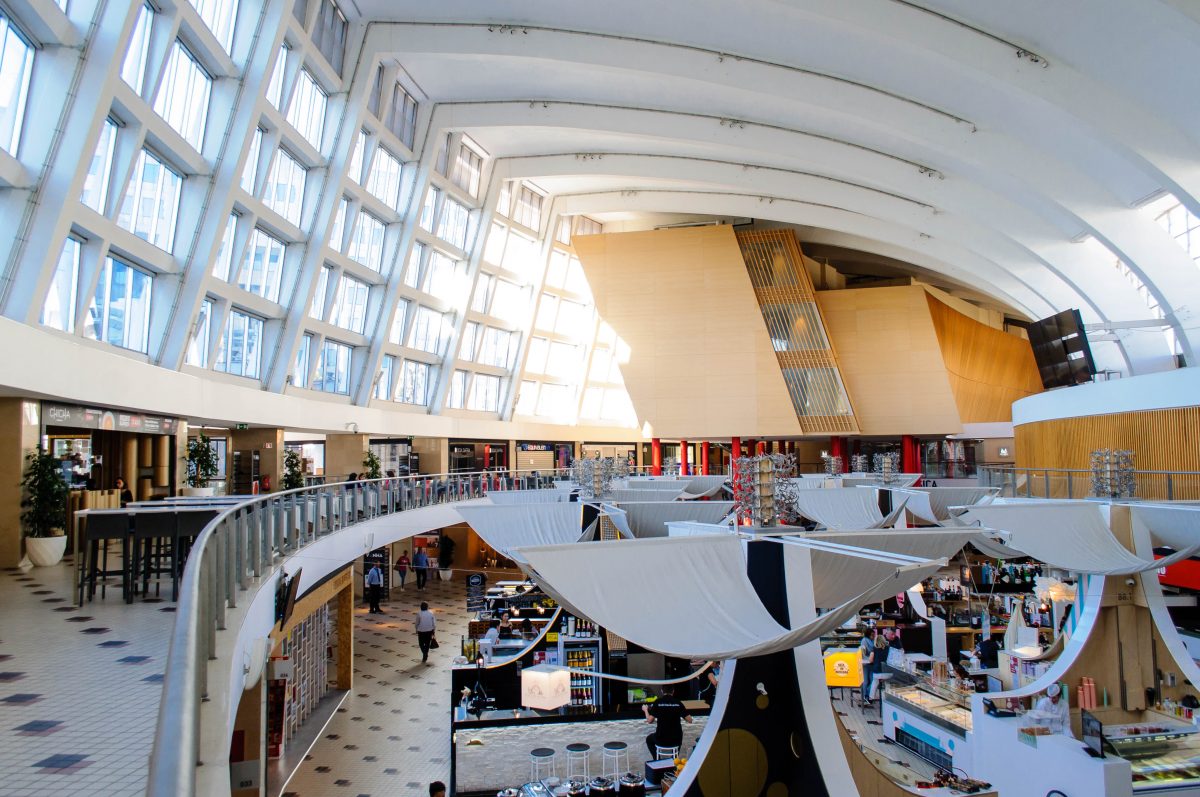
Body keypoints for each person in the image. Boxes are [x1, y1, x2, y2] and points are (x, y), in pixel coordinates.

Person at [643, 684, 693, 757]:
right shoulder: (678, 702)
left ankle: (657, 760)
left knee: (649, 739)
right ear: (673, 691)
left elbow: (649, 720)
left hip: (661, 739)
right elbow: (690, 720)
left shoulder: (658, 702)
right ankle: (674, 760)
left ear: (662, 691)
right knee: (679, 735)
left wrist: (645, 710)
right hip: (676, 740)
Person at [859, 628, 877, 705]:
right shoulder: (864, 641)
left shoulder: (873, 641)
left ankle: (868, 695)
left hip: (872, 663)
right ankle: (864, 696)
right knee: (865, 681)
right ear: (869, 634)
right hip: (866, 663)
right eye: (872, 635)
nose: (874, 636)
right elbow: (863, 653)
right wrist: (869, 659)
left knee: (873, 680)